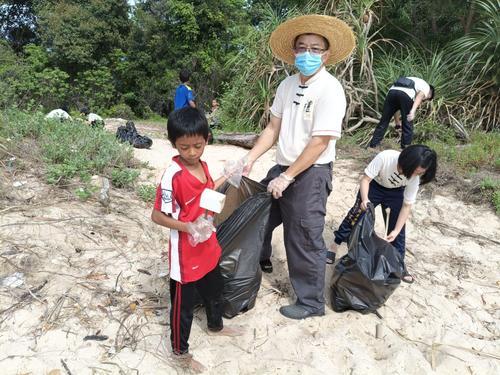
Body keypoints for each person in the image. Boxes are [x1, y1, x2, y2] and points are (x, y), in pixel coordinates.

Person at [242, 15, 355, 320]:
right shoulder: (287, 85)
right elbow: (272, 129)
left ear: (326, 54)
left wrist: (289, 177)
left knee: (303, 236)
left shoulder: (330, 90)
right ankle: (262, 260)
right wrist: (250, 158)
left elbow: (320, 142)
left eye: (315, 48)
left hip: (311, 174)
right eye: (302, 47)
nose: (308, 53)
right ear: (293, 52)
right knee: (258, 215)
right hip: (283, 167)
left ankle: (309, 302)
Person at [151, 107, 242, 373]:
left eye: (198, 146)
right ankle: (180, 352)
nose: (191, 153)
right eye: (184, 147)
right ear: (173, 144)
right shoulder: (172, 177)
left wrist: (230, 174)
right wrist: (187, 227)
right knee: (183, 307)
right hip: (185, 252)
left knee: (216, 290)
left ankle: (216, 326)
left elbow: (208, 192)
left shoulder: (202, 165)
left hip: (207, 243)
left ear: (207, 139)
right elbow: (157, 215)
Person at [327, 145, 437, 283]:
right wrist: (365, 199)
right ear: (407, 162)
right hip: (374, 186)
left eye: (420, 173)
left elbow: (407, 205)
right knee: (356, 214)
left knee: (397, 227)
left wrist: (396, 231)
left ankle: (399, 265)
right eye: (415, 171)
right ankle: (334, 245)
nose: (416, 175)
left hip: (396, 192)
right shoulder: (386, 157)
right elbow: (365, 179)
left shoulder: (414, 178)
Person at [368, 77, 435, 149]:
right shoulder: (427, 87)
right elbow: (419, 96)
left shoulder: (414, 80)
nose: (423, 100)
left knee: (384, 121)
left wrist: (397, 122)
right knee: (407, 124)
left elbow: (397, 108)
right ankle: (405, 149)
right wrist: (412, 111)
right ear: (430, 94)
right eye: (426, 99)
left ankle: (373, 146)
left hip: (392, 93)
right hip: (406, 94)